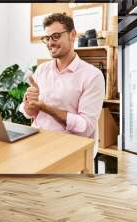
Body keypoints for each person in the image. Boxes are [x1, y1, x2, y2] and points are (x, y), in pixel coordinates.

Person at [19, 13, 105, 142]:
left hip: (68, 146)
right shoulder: (42, 69)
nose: (50, 43)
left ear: (72, 35)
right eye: (47, 38)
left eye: (56, 36)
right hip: (37, 141)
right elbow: (29, 113)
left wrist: (46, 108)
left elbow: (87, 128)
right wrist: (29, 104)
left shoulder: (92, 76)